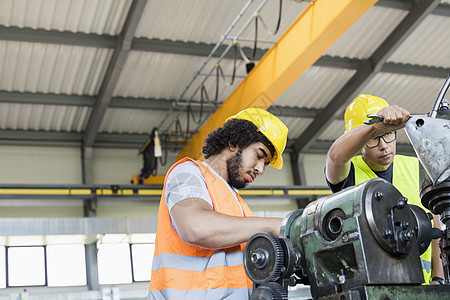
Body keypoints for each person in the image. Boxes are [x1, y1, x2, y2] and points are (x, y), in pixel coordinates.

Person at [148, 108, 288, 299]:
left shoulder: (237, 203)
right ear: (233, 143)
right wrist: (273, 225)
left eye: (266, 163)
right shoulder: (188, 173)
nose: (260, 169)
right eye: (259, 155)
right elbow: (194, 227)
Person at [325, 94, 444, 285]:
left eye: (388, 134)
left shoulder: (416, 167)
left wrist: (438, 279)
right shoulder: (349, 173)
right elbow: (334, 157)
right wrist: (374, 127)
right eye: (373, 138)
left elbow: (435, 227)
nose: (383, 146)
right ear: (359, 140)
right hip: (373, 288)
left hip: (423, 288)